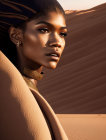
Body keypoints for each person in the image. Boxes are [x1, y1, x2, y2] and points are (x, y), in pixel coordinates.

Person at [0, 0, 68, 139]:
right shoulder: (8, 93)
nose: (57, 42)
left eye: (62, 34)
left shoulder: (23, 88)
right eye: (44, 30)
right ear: (16, 35)